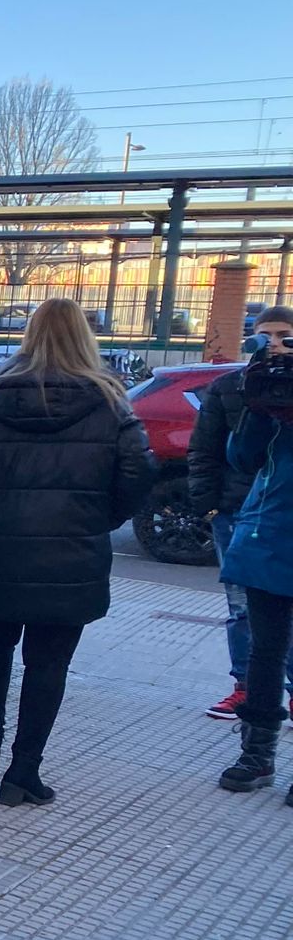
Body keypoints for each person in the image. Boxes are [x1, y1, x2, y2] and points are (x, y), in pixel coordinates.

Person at [0, 297, 154, 807]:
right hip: (71, 555)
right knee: (48, 663)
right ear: (86, 338)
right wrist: (99, 519)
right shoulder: (111, 404)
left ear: (28, 336)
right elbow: (140, 474)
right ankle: (23, 771)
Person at [191, 304, 293, 720]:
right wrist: (210, 507)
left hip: (279, 514)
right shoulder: (234, 386)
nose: (273, 345)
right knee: (242, 613)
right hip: (243, 515)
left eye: (284, 337)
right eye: (264, 336)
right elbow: (212, 450)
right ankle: (246, 691)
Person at [216, 324, 293, 798]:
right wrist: (260, 402)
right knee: (266, 651)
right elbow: (243, 459)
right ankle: (258, 753)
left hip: (270, 538)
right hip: (272, 542)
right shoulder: (275, 402)